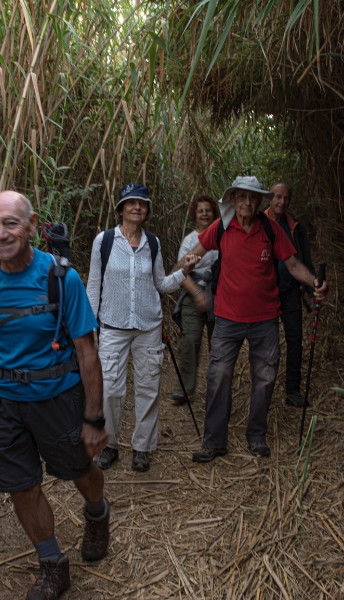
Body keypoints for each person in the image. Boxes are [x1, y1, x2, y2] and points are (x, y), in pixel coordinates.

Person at [0, 191, 109, 600]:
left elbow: (87, 351)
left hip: (58, 398)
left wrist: (93, 420)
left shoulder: (61, 279)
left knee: (79, 470)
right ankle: (52, 564)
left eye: (11, 224)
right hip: (3, 403)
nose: (1, 234)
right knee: (21, 486)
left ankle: (97, 512)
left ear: (32, 225)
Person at [176, 176, 328, 463]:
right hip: (227, 319)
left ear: (260, 202)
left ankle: (256, 436)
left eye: (253, 198)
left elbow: (293, 264)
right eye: (241, 197)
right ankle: (213, 442)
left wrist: (315, 282)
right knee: (218, 376)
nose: (247, 203)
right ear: (233, 199)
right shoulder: (220, 228)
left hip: (265, 319)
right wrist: (181, 272)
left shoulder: (271, 230)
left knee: (265, 377)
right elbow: (192, 256)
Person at [85, 184, 198, 472]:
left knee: (148, 387)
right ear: (121, 208)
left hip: (148, 326)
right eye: (131, 203)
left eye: (142, 204)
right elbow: (94, 285)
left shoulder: (153, 244)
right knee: (110, 389)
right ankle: (110, 445)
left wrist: (184, 271)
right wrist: (90, 328)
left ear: (147, 211)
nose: (137, 207)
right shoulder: (105, 241)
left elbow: (160, 284)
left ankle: (142, 448)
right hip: (113, 325)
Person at [264, 182, 315, 408]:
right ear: (269, 199)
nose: (281, 202)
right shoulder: (259, 223)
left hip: (290, 292)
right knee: (267, 344)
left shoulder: (294, 227)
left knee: (295, 341)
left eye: (285, 198)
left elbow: (303, 260)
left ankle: (292, 391)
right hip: (265, 294)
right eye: (277, 197)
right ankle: (264, 391)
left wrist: (313, 288)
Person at [169, 194, 220, 406]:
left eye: (208, 210)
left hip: (219, 293)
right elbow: (180, 271)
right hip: (193, 293)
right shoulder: (190, 240)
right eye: (201, 211)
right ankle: (186, 388)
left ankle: (217, 389)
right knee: (190, 341)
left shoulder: (222, 236)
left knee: (219, 344)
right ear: (195, 214)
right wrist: (197, 294)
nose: (205, 214)